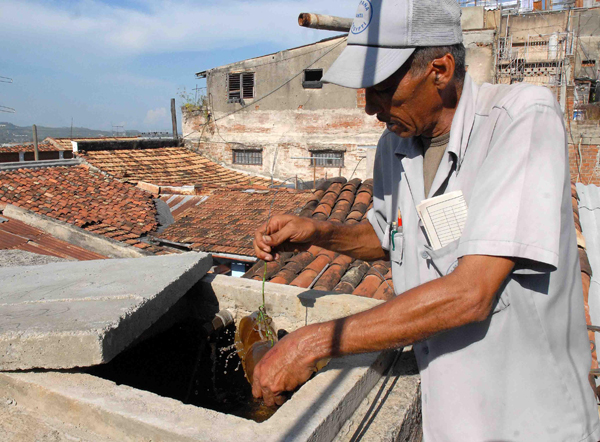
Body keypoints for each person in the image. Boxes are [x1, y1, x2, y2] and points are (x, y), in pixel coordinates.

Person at [252, 0, 600, 440]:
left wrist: (313, 342)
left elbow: (472, 292)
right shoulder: (393, 146)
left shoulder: (520, 119)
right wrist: (320, 233)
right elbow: (391, 236)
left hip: (528, 421)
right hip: (450, 419)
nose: (369, 108)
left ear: (439, 69)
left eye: (381, 89)